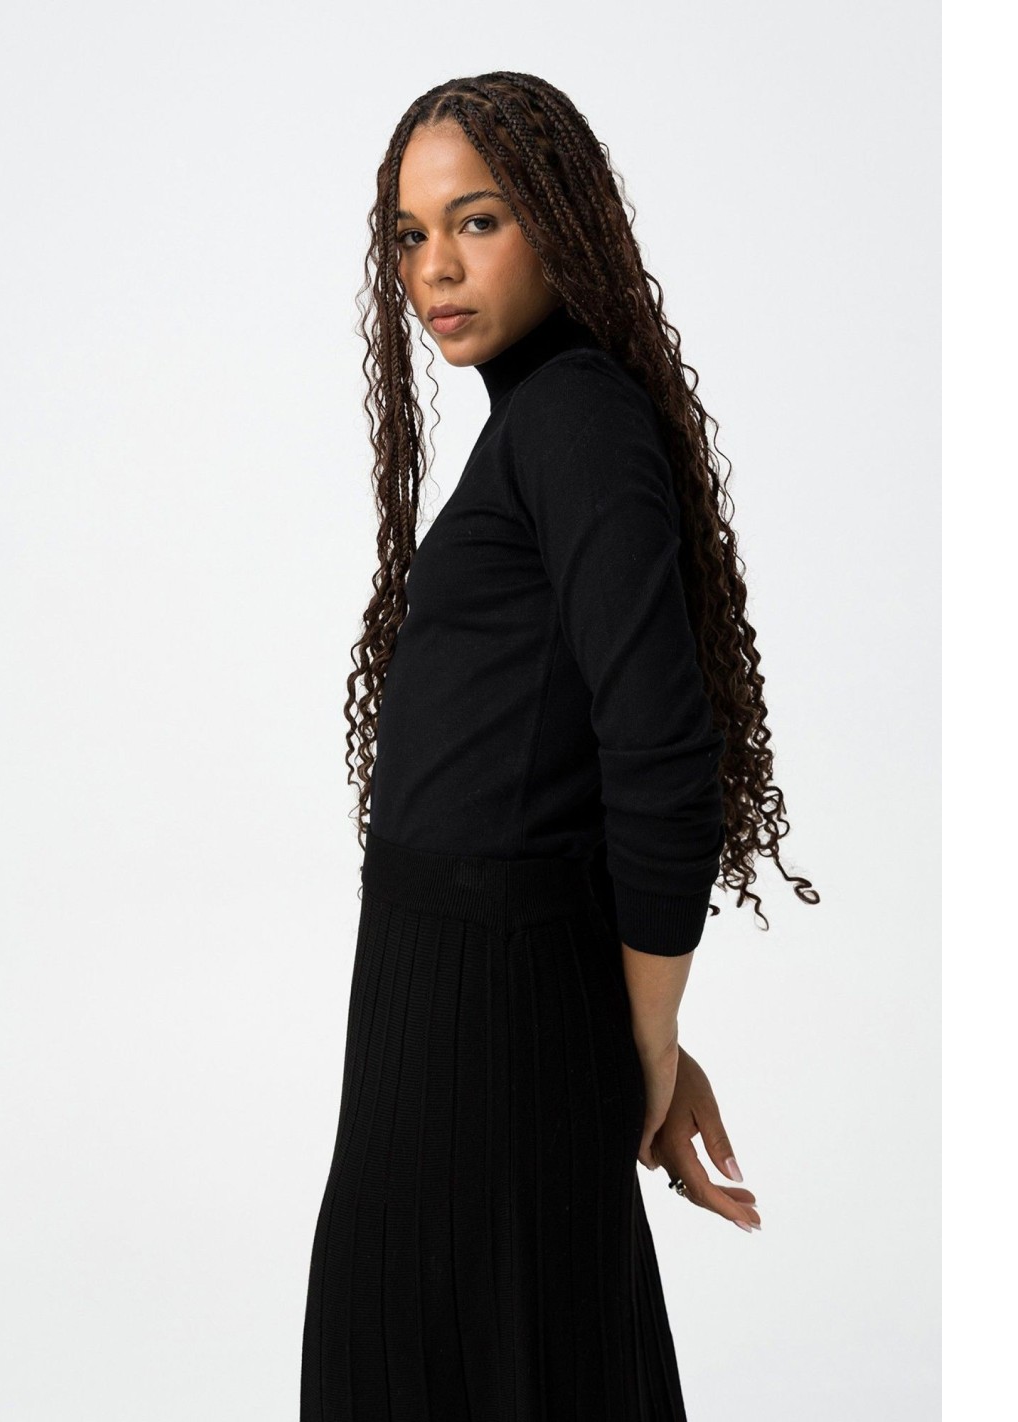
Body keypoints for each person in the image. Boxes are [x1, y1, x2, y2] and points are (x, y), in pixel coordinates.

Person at [300, 71, 819, 1420]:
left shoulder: (575, 416)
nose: (435, 266)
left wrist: (646, 1043)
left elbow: (660, 753)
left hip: (487, 1003)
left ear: (563, 220)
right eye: (410, 235)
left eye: (477, 220)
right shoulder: (544, 421)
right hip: (457, 990)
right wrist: (629, 1034)